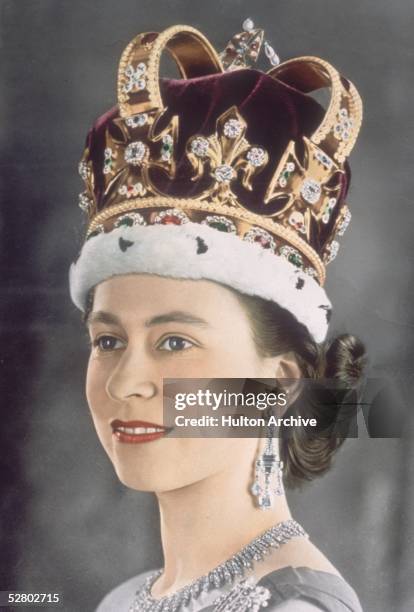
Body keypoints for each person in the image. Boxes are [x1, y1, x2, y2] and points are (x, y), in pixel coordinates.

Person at [69, 22, 366, 611]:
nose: (126, 382)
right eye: (107, 340)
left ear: (279, 383)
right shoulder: (123, 600)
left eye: (175, 342)